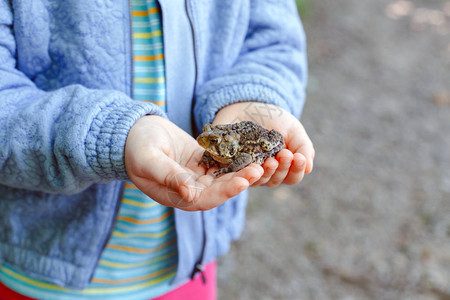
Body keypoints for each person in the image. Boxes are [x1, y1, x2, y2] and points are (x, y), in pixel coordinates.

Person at [0, 0, 314, 299]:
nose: (207, 146)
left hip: (186, 262)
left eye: (213, 144)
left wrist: (257, 95)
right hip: (36, 268)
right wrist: (109, 134)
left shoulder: (229, 150)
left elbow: (273, 40)